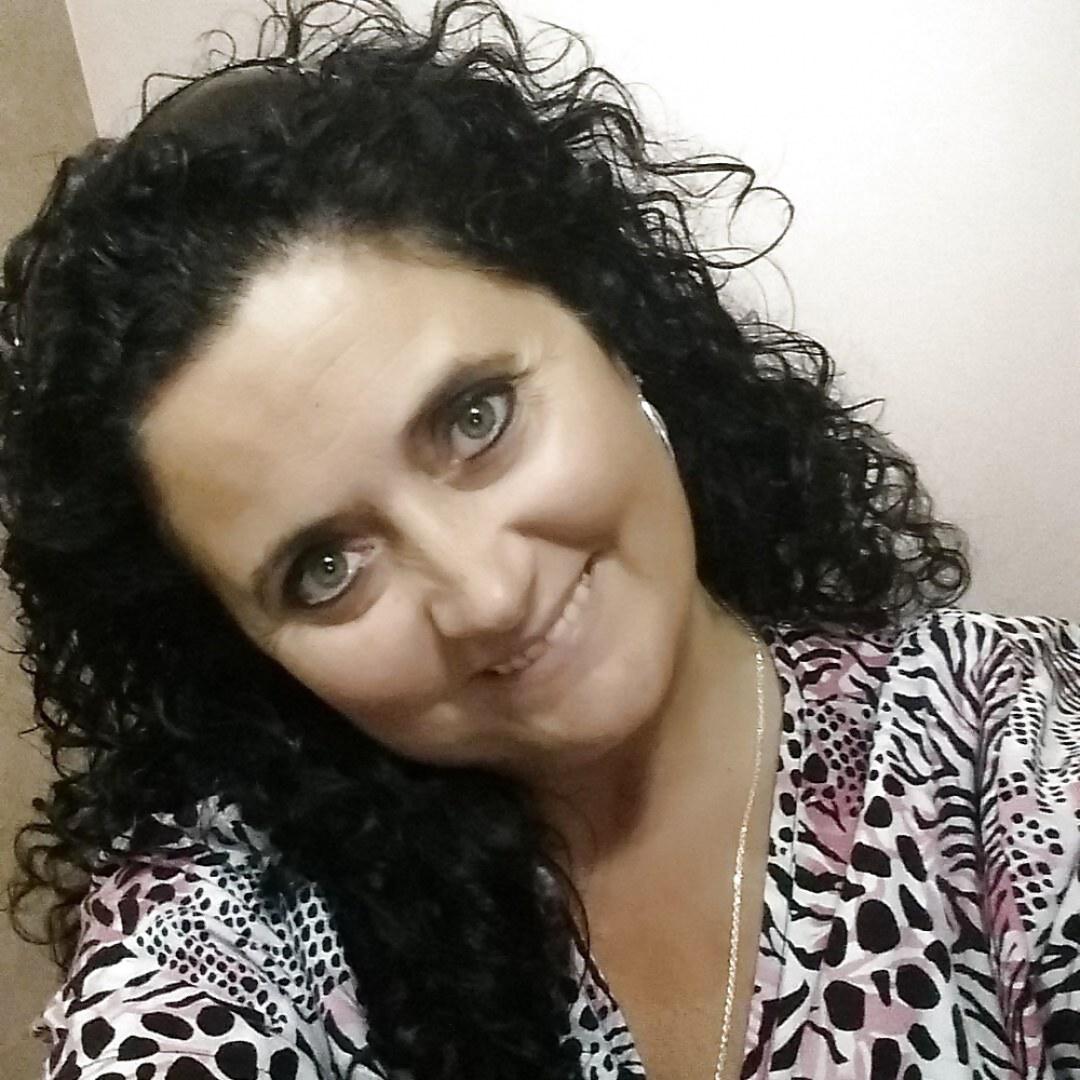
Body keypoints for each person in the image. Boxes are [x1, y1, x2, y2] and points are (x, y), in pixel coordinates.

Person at [2, 2, 1077, 1078]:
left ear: (609, 328)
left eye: (476, 419)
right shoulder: (234, 928)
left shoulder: (1000, 746)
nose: (485, 593)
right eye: (323, 570)